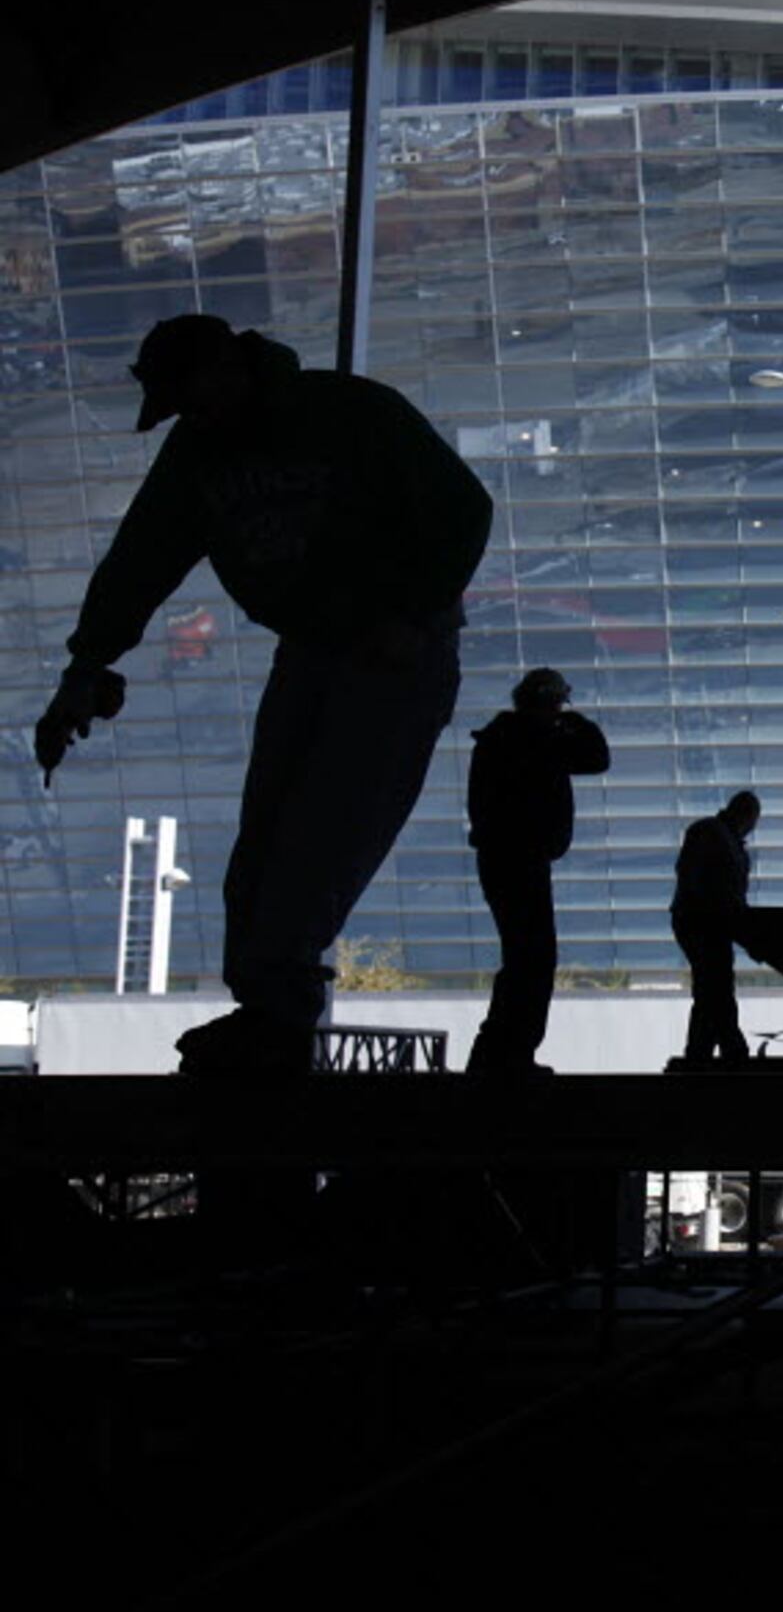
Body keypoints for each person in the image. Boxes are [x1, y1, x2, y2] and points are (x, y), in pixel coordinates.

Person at [31, 314, 492, 1078]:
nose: (194, 420)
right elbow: (139, 560)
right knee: (269, 840)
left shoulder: (349, 414)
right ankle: (267, 1011)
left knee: (322, 835)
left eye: (194, 401)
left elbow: (461, 512)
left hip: (388, 657)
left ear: (225, 372)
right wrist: (86, 665)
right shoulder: (203, 451)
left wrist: (407, 615)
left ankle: (275, 1019)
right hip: (321, 648)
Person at [463, 668, 611, 1076]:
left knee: (523, 957)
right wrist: (575, 722)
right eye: (560, 703)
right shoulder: (535, 740)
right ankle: (508, 1054)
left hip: (503, 858)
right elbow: (597, 757)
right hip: (521, 860)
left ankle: (498, 1052)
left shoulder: (499, 739)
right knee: (534, 958)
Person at [670, 791, 760, 1070]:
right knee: (716, 987)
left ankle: (703, 1050)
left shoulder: (705, 831)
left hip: (696, 920)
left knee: (710, 988)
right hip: (708, 923)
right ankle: (728, 1049)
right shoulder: (730, 845)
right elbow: (731, 896)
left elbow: (688, 874)